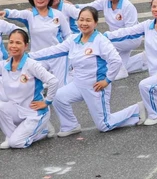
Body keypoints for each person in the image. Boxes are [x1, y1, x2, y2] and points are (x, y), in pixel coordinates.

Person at [34, 7, 142, 136]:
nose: (84, 23)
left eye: (88, 20)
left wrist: (107, 80)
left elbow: (116, 61)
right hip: (78, 84)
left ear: (95, 23)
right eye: (81, 20)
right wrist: (29, 56)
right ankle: (70, 125)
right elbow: (53, 51)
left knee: (104, 125)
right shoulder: (73, 40)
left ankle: (137, 110)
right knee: (58, 97)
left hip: (96, 87)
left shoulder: (100, 41)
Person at [67, 0, 144, 75]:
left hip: (130, 38)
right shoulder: (105, 1)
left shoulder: (127, 6)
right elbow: (90, 6)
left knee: (99, 44)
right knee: (120, 65)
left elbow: (132, 30)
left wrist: (109, 36)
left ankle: (87, 69)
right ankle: (143, 60)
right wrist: (73, 6)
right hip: (116, 38)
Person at [3, 0, 73, 86]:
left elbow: (68, 35)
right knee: (32, 87)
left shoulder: (58, 15)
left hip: (58, 57)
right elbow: (15, 13)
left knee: (60, 89)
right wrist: (5, 12)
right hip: (37, 56)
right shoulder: (29, 15)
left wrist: (71, 53)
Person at [0, 29, 59, 148]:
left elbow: (53, 81)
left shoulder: (31, 65)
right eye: (11, 42)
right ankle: (12, 135)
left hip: (35, 112)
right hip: (18, 109)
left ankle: (44, 130)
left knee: (16, 143)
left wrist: (47, 102)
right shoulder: (4, 65)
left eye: (18, 43)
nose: (13, 46)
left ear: (26, 45)